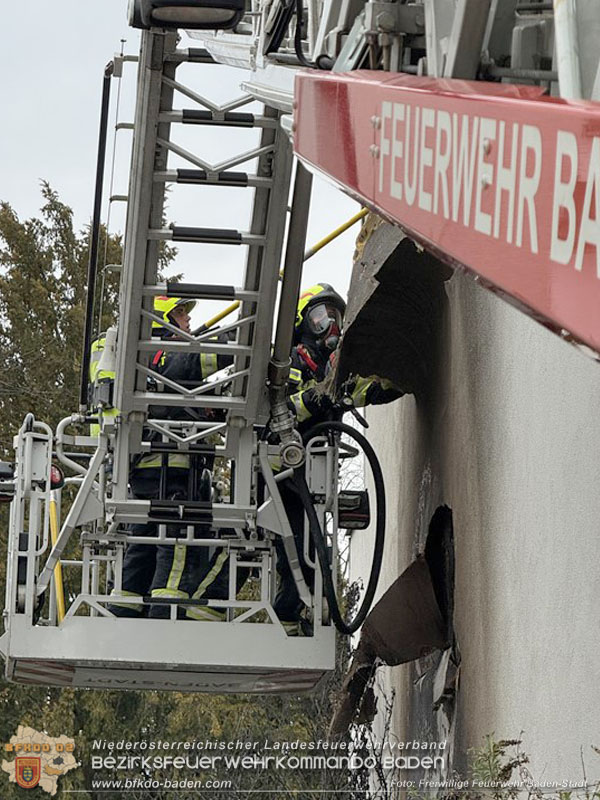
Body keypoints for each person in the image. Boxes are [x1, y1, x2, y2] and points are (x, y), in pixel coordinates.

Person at [184, 283, 401, 632]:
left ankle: (288, 614)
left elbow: (363, 390)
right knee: (256, 540)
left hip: (307, 474)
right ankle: (204, 605)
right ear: (302, 322)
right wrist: (311, 401)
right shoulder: (285, 362)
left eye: (334, 317)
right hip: (272, 468)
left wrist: (399, 379)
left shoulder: (335, 369)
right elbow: (273, 410)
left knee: (306, 549)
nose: (329, 325)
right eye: (320, 316)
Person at [108, 295, 232, 619]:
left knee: (142, 544)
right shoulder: (164, 351)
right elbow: (191, 364)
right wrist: (235, 342)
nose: (187, 320)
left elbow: (186, 394)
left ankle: (124, 611)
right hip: (173, 471)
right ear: (164, 320)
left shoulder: (142, 359)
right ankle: (165, 615)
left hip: (146, 473)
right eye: (180, 313)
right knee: (175, 545)